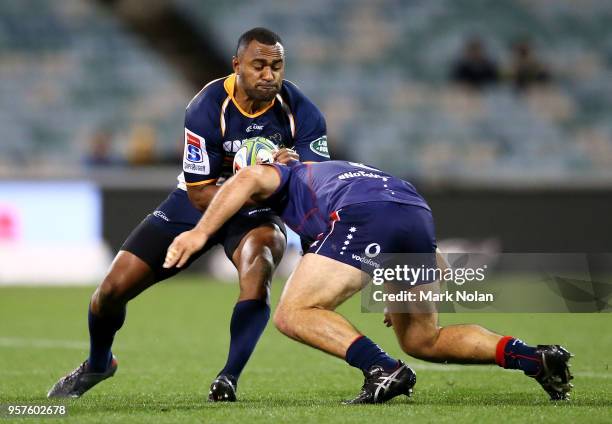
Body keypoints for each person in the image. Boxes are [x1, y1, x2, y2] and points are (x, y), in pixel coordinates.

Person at [47, 27, 330, 401]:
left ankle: (228, 378)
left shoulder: (301, 111)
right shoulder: (207, 106)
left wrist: (289, 175)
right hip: (197, 203)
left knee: (259, 263)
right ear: (237, 66)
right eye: (258, 65)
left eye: (276, 66)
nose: (269, 75)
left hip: (258, 212)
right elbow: (199, 195)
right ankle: (99, 363)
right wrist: (256, 182)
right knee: (111, 291)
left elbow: (315, 186)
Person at [163, 159, 574, 404]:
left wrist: (200, 231)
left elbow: (247, 180)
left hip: (365, 215)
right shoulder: (332, 173)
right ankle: (531, 357)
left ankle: (381, 368)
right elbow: (425, 250)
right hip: (414, 211)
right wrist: (406, 284)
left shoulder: (278, 175)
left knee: (293, 313)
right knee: (421, 339)